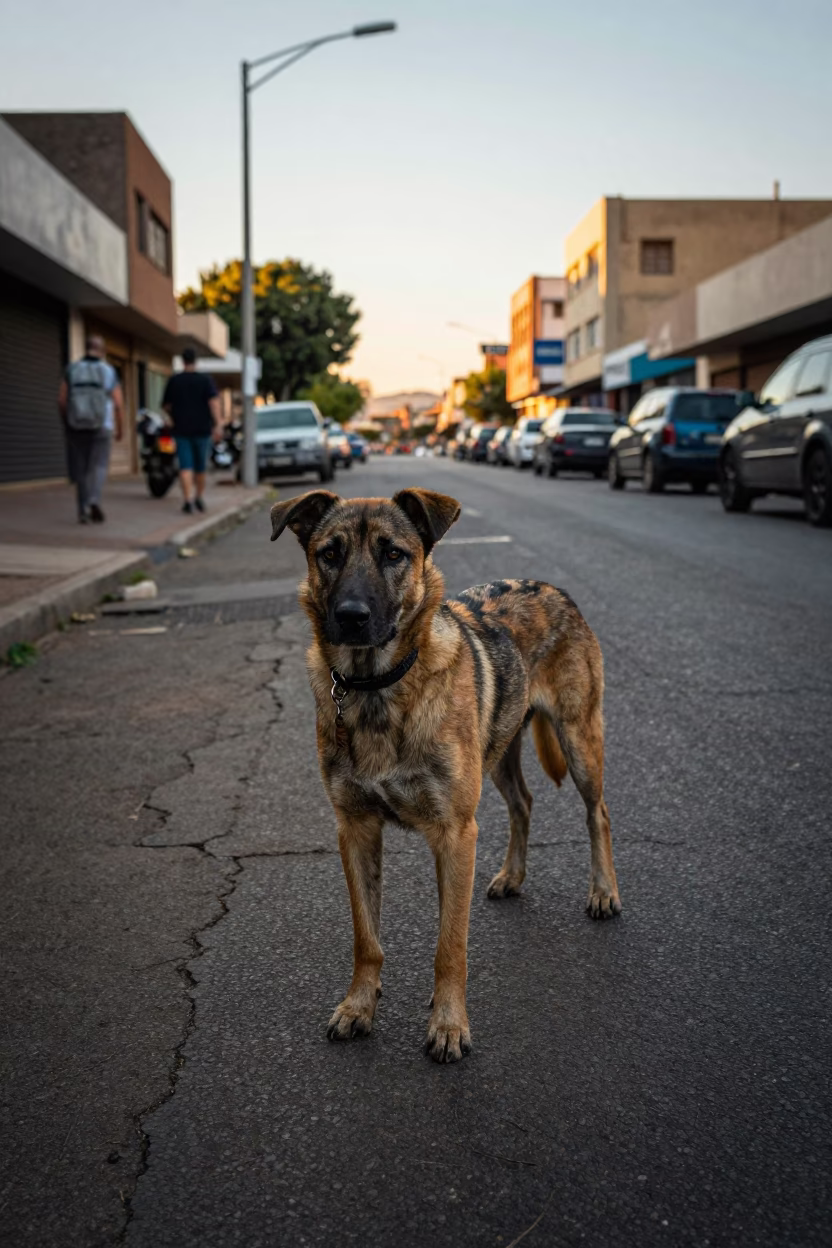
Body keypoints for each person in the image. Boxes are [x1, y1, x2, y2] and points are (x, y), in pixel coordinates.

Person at [59, 335, 123, 524]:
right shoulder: (108, 371)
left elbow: (61, 400)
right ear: (102, 351)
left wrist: (67, 421)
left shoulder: (72, 369)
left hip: (76, 425)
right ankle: (94, 500)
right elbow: (118, 403)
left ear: (85, 348)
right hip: (101, 425)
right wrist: (121, 428)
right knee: (99, 465)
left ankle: (82, 510)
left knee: (81, 468)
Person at [162, 348, 221, 514]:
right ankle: (198, 497)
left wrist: (173, 416)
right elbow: (214, 403)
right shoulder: (205, 380)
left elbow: (166, 405)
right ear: (196, 360)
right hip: (202, 429)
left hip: (181, 429)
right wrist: (218, 424)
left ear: (183, 361)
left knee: (185, 466)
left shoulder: (174, 380)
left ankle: (187, 500)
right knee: (200, 467)